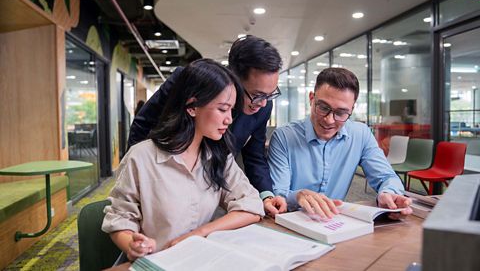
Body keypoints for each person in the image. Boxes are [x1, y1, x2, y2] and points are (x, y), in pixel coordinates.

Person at [102, 59, 265, 261]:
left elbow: (252, 206)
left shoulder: (218, 156)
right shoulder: (141, 157)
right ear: (192, 106)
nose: (229, 119)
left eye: (231, 110)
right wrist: (132, 245)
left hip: (200, 260)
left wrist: (199, 233)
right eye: (222, 109)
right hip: (157, 262)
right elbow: (119, 220)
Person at [128, 35, 287, 216]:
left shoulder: (262, 106)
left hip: (212, 184)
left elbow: (255, 155)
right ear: (234, 78)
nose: (263, 104)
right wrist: (137, 179)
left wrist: (265, 195)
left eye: (270, 95)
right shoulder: (189, 81)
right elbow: (142, 126)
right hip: (166, 176)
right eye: (257, 95)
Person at [268, 68, 412, 220]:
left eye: (341, 113)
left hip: (334, 221)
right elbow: (279, 193)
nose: (329, 120)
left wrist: (389, 193)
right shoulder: (284, 136)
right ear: (311, 98)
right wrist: (298, 195)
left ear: (352, 109)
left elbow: (386, 176)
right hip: (291, 221)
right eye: (323, 108)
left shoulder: (361, 134)